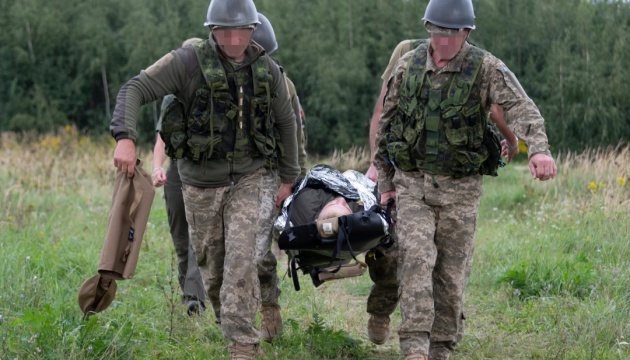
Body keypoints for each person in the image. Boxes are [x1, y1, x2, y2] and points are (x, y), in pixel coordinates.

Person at [110, 0, 300, 358]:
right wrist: (125, 136)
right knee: (213, 273)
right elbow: (134, 88)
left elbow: (286, 122)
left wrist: (289, 178)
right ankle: (231, 321)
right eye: (223, 31)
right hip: (199, 183)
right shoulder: (187, 62)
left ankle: (243, 346)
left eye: (241, 31)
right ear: (211, 31)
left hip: (251, 177)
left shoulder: (266, 70)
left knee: (241, 260)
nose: (233, 39)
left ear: (253, 30)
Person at [374, 1, 557, 359]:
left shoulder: (486, 68)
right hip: (413, 185)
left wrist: (538, 149)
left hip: (460, 191)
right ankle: (413, 346)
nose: (442, 41)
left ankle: (440, 347)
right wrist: (385, 182)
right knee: (415, 261)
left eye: (451, 34)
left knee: (451, 274)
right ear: (428, 27)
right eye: (436, 32)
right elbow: (387, 123)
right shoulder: (407, 65)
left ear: (467, 33)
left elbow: (520, 106)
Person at [367, 41, 519, 182]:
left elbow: (383, 109)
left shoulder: (406, 48)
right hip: (449, 167)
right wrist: (512, 142)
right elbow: (495, 112)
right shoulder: (473, 57)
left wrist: (375, 164)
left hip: (406, 160)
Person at [152, 38, 206, 317]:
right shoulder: (171, 96)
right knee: (180, 235)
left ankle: (195, 299)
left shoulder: (212, 90)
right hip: (176, 168)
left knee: (199, 236)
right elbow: (162, 136)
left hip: (203, 171)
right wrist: (157, 167)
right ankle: (189, 291)